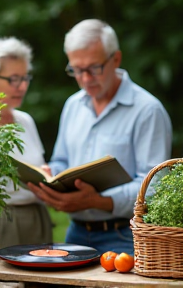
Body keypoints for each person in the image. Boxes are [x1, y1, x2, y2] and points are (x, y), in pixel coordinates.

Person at [27, 19, 172, 255]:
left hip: (125, 236)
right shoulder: (73, 105)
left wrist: (98, 201)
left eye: (93, 68)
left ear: (115, 59)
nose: (85, 78)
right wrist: (48, 175)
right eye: (76, 69)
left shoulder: (147, 110)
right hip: (74, 232)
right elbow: (62, 161)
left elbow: (153, 189)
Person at [0, 37, 53, 248]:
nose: (22, 86)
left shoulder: (25, 121)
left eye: (25, 78)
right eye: (14, 79)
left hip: (37, 219)